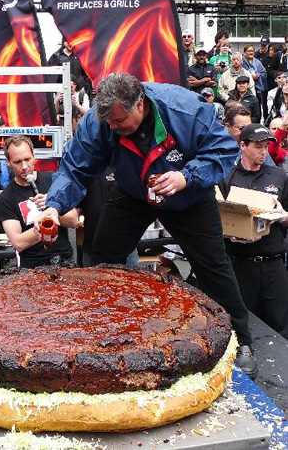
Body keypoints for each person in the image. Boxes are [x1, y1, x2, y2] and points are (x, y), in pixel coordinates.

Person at [36, 72, 258, 378]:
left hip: (186, 195)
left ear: (139, 104)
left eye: (119, 121)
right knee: (105, 256)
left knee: (213, 266)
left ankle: (241, 340)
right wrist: (53, 206)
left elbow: (223, 150)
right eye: (108, 123)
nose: (113, 128)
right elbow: (75, 168)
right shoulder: (101, 121)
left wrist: (187, 176)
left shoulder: (184, 109)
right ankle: (100, 330)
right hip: (134, 190)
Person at [220, 123, 288, 340]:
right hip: (241, 263)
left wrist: (283, 216)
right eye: (258, 146)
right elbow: (216, 220)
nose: (263, 152)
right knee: (247, 325)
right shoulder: (227, 179)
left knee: (281, 324)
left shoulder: (279, 176)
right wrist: (229, 233)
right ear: (242, 146)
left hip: (274, 262)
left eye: (266, 146)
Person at [0, 135, 79, 268]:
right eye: (17, 162)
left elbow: (74, 220)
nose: (24, 166)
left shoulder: (53, 180)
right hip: (33, 267)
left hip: (65, 261)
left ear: (34, 156)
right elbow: (18, 243)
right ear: (8, 162)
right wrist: (45, 225)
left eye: (27, 159)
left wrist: (53, 207)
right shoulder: (6, 198)